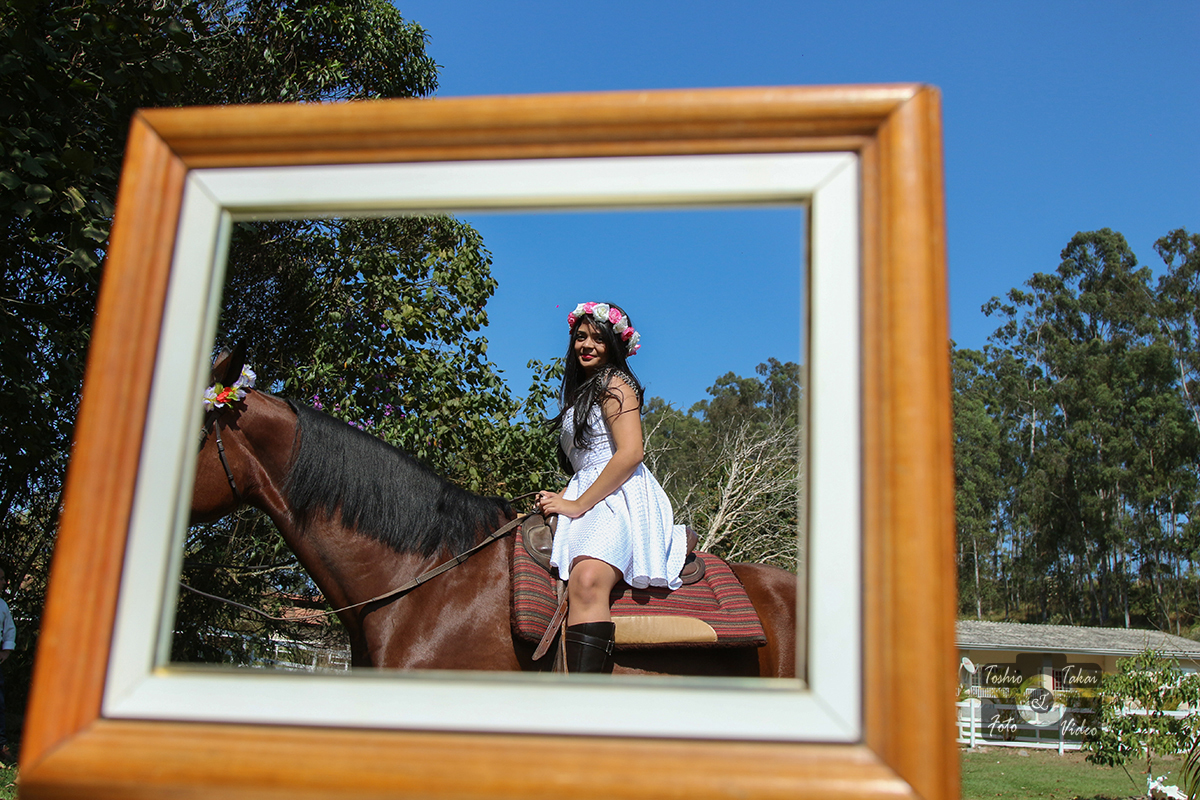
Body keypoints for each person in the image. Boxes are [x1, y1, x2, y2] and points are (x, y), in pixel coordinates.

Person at [535, 302, 688, 673]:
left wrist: (574, 506)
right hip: (588, 489)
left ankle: (585, 706)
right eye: (581, 337)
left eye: (598, 339)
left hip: (618, 493)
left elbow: (631, 452)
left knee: (587, 580)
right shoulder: (582, 392)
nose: (586, 345)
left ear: (615, 345)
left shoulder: (615, 383)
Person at [0, 566, 14, 763]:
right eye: (1, 578)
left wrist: (6, 650)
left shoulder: (2, 605)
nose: (5, 582)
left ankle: (1, 745)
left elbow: (9, 630)